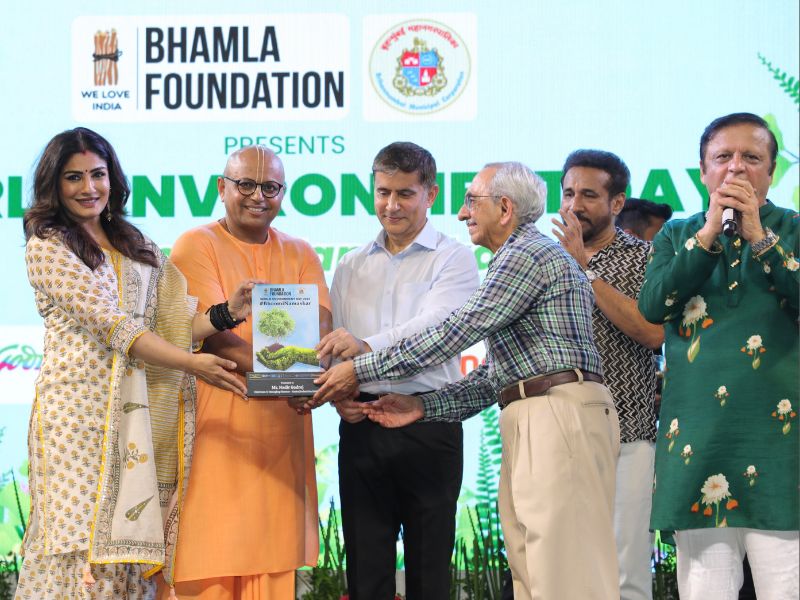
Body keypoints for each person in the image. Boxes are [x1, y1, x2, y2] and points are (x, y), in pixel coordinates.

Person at [312, 162, 621, 600]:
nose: (462, 214)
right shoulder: (516, 257)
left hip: (556, 412)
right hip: (539, 409)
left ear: (505, 208)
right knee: (535, 570)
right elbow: (492, 375)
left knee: (565, 573)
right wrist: (423, 406)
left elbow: (455, 332)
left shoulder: (526, 254)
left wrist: (359, 368)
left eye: (471, 201)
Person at [16, 127, 252, 600]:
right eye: (74, 177)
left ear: (113, 178)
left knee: (127, 553)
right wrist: (193, 365)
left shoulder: (133, 242)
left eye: (98, 174)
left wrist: (229, 312)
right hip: (79, 420)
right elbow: (118, 329)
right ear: (54, 184)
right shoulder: (47, 246)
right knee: (82, 553)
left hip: (137, 418)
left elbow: (174, 322)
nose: (89, 188)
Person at [638, 112, 799, 599]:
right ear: (703, 170)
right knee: (706, 588)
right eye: (723, 156)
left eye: (751, 157)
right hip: (698, 440)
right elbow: (653, 306)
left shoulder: (793, 229)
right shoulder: (677, 234)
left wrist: (761, 239)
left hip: (780, 442)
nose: (736, 167)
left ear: (771, 171)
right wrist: (708, 233)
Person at [160, 145, 332, 600]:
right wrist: (291, 375)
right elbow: (214, 337)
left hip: (282, 432)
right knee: (209, 561)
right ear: (222, 188)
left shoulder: (300, 251)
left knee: (272, 567)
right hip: (218, 429)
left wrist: (307, 375)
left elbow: (321, 325)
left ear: (283, 193)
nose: (258, 196)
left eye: (270, 187)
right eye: (246, 185)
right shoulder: (195, 245)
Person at [315, 142, 478, 599]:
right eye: (383, 192)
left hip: (427, 420)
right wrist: (341, 396)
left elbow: (436, 329)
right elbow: (337, 345)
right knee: (365, 570)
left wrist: (365, 349)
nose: (391, 205)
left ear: (431, 193)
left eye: (405, 193)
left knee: (430, 572)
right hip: (362, 424)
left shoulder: (454, 258)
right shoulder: (350, 264)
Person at [552, 150, 663, 600]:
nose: (574, 205)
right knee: (560, 569)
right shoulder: (545, 259)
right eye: (568, 193)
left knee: (624, 571)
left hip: (627, 433)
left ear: (617, 203)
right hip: (557, 433)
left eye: (588, 195)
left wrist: (585, 270)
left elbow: (652, 332)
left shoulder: (645, 257)